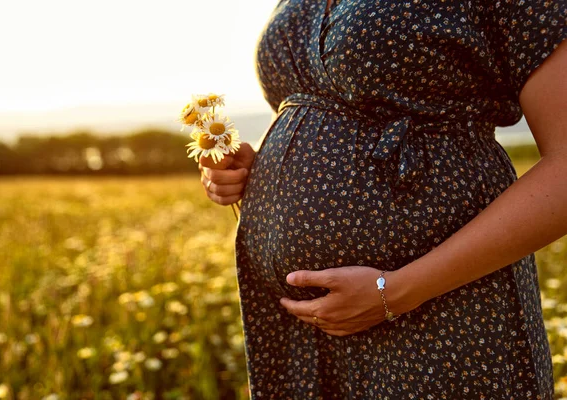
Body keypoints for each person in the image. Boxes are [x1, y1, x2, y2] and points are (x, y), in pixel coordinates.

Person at [199, 0, 567, 398]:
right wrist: (259, 169)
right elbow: (328, 111)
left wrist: (394, 293)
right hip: (305, 332)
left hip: (439, 309)